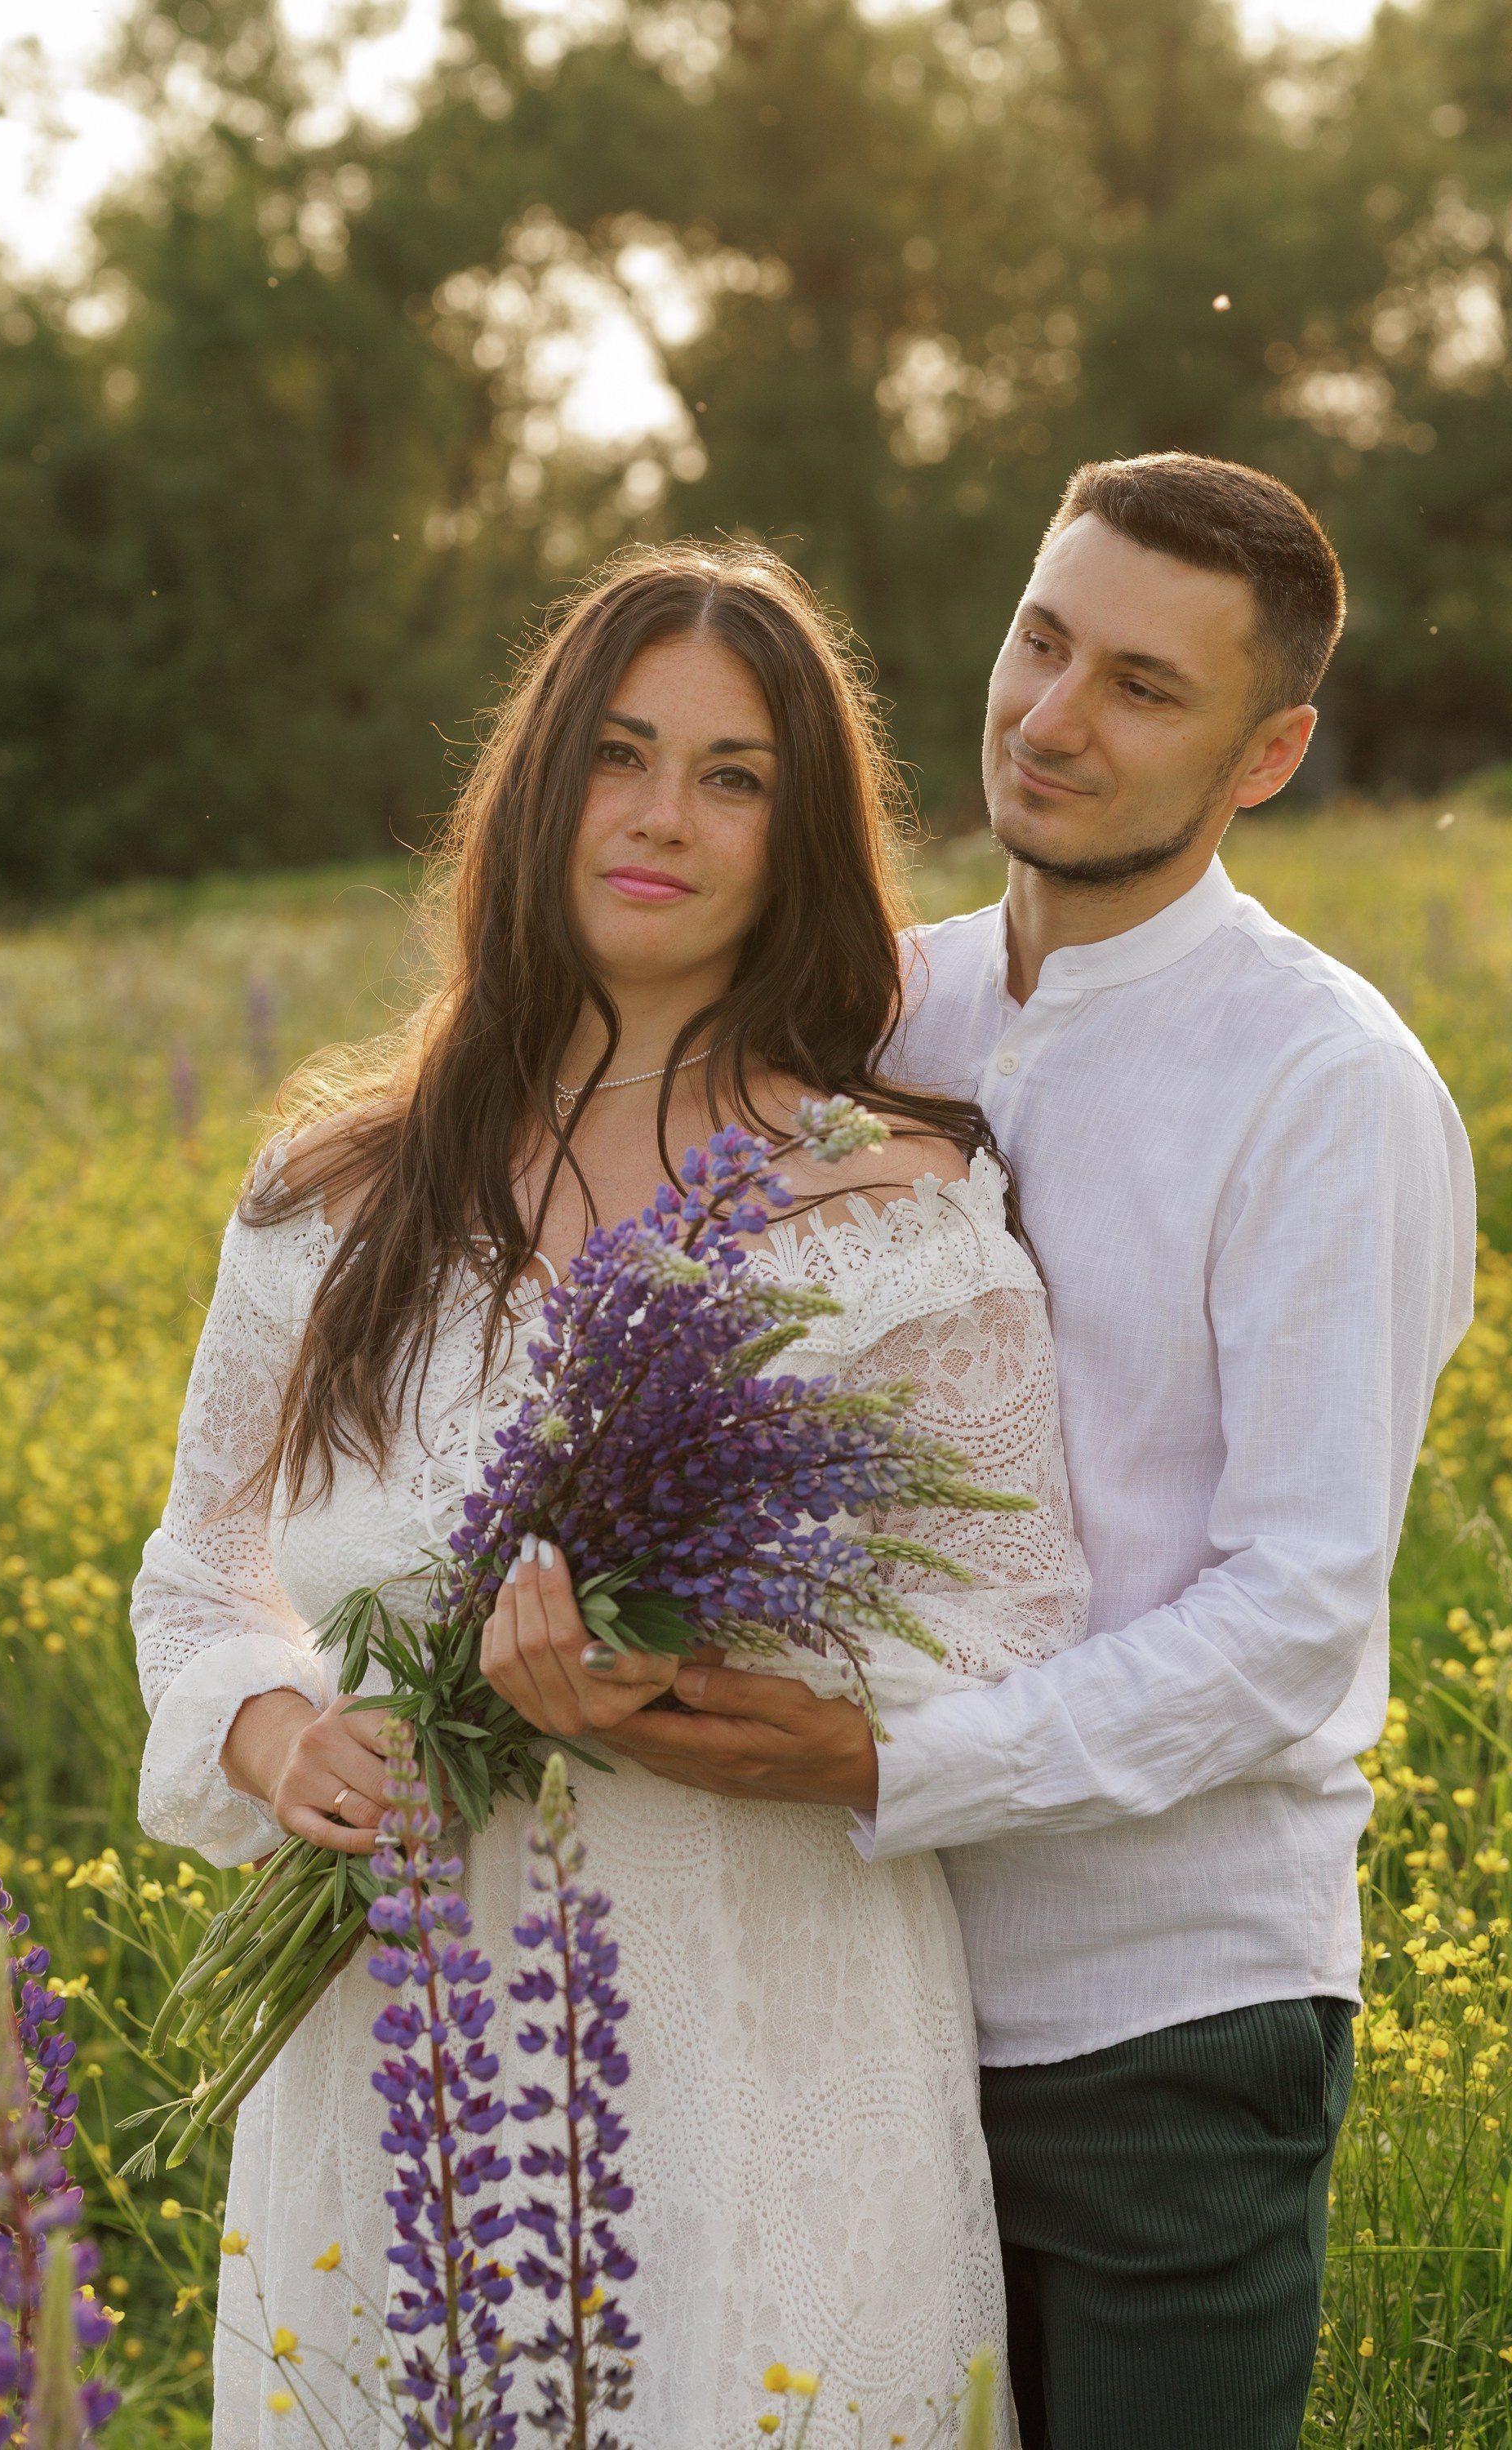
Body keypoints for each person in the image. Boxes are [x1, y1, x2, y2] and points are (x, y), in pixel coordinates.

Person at [130, 542, 1091, 2448]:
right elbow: (196, 1576)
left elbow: (1022, 1617)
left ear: (795, 834)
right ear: (537, 784)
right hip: (397, 2068)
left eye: (732, 777)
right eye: (621, 754)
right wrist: (268, 1732)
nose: (662, 817)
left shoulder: (885, 1209)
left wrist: (729, 1703)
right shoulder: (335, 1195)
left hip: (757, 2036)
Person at [607, 454, 1475, 2449]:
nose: (1054, 717)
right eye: (1041, 639)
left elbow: (1290, 1621)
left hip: (1151, 2024)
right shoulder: (865, 1008)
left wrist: (894, 1765)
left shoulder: (1327, 1090)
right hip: (831, 1985)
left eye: (1143, 690)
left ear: (1268, 754)